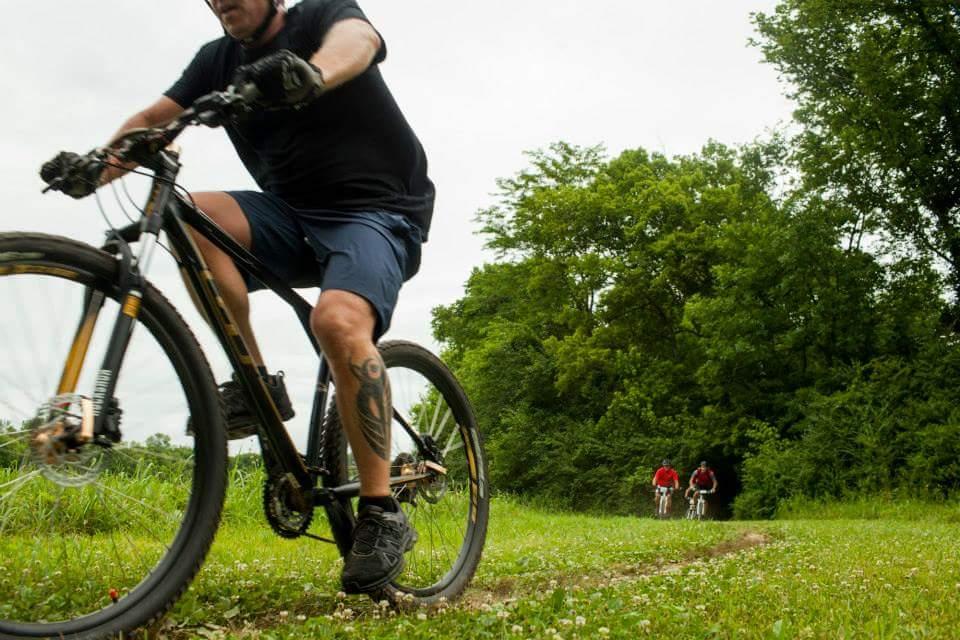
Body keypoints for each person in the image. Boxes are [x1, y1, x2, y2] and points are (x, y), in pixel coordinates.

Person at [70, 0, 433, 595]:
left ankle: (380, 512)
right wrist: (98, 164)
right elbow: (154, 117)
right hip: (291, 217)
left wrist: (310, 74)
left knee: (337, 322)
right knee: (190, 215)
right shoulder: (217, 62)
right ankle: (256, 381)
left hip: (376, 212)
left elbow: (357, 43)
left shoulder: (321, 18)